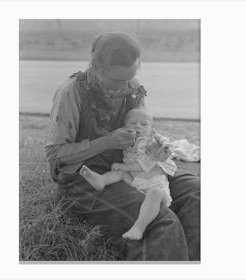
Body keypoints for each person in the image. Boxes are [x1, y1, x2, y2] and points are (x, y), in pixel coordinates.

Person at [45, 32, 200, 260]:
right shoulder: (71, 92)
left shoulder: (133, 88)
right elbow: (55, 155)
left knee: (197, 194)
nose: (126, 86)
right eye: (117, 81)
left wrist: (155, 149)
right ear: (95, 67)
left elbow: (144, 131)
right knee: (159, 222)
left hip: (133, 169)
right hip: (85, 178)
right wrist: (106, 142)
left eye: (131, 76)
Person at [79, 107, 177, 241]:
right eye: (133, 123)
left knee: (154, 193)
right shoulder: (128, 140)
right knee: (118, 173)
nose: (138, 126)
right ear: (125, 126)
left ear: (151, 129)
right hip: (134, 182)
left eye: (144, 124)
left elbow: (145, 164)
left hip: (156, 186)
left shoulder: (151, 141)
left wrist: (165, 145)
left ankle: (139, 227)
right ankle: (101, 180)